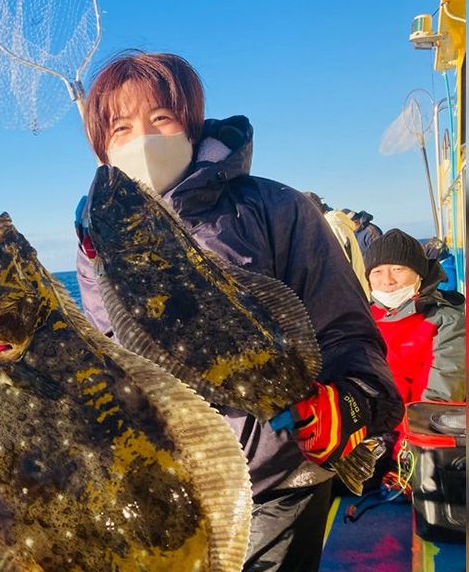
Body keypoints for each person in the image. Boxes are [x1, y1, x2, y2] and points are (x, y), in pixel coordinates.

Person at [74, 51, 402, 571]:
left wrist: (355, 397)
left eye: (161, 118)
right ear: (102, 150)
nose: (143, 139)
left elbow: (345, 330)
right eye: (120, 128)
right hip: (183, 489)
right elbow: (118, 364)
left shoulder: (276, 208)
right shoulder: (96, 246)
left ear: (192, 124)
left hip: (278, 476)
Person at [366, 229, 466, 406]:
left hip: (413, 426)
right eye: (377, 271)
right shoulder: (361, 315)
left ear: (419, 273)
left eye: (398, 269)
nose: (387, 280)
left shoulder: (446, 320)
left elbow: (441, 394)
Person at [302, 191, 369, 298]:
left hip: (350, 296)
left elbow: (337, 265)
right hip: (352, 293)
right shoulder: (330, 223)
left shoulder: (332, 226)